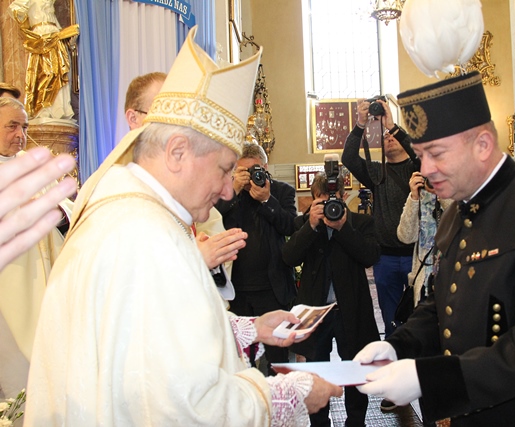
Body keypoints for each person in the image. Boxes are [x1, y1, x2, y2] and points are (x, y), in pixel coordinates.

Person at [25, 27, 342, 426]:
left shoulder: (133, 212)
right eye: (224, 169)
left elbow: (149, 337)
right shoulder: (147, 236)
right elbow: (187, 405)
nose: (228, 190)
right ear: (177, 152)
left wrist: (247, 328)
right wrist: (286, 393)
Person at [354, 71, 515, 426]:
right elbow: (441, 302)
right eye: (421, 156)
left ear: (483, 145)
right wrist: (398, 345)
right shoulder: (458, 211)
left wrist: (432, 379)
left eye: (436, 154)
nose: (426, 168)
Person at [124, 72, 242, 300]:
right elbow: (131, 298)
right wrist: (195, 259)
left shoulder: (175, 186)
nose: (228, 191)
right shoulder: (123, 196)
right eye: (163, 116)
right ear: (133, 118)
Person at [282, 171, 380, 427]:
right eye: (322, 201)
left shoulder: (361, 223)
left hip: (351, 308)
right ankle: (319, 422)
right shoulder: (305, 224)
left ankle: (356, 422)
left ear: (344, 197)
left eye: (333, 200)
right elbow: (289, 257)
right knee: (317, 371)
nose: (329, 207)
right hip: (316, 312)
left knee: (354, 368)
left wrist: (342, 228)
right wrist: (311, 227)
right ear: (313, 200)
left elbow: (370, 256)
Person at [0, 97, 75, 400]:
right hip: (9, 289)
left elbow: (69, 211)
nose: (20, 135)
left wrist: (56, 211)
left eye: (24, 127)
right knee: (15, 380)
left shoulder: (34, 168)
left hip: (44, 286)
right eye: (12, 126)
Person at [216, 142, 297, 373]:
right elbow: (213, 219)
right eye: (244, 171)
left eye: (255, 170)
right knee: (241, 358)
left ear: (265, 167)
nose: (251, 176)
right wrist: (233, 191)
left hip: (273, 288)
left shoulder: (282, 191)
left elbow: (290, 226)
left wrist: (266, 200)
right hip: (237, 289)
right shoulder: (229, 193)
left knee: (277, 357)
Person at [341, 99, 416, 341]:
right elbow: (349, 158)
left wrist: (392, 125)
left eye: (393, 135)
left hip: (416, 255)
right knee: (390, 317)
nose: (389, 137)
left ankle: (417, 355)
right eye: (385, 136)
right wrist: (360, 123)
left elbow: (422, 154)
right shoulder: (376, 171)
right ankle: (393, 351)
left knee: (420, 313)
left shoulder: (418, 167)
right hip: (385, 257)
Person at [9, 0, 79, 121]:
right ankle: (44, 109)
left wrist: (66, 35)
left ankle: (59, 109)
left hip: (55, 36)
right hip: (41, 36)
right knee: (45, 73)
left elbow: (55, 22)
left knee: (59, 72)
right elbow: (15, 10)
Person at [397, 173, 448, 307]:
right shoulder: (420, 196)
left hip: (451, 281)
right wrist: (414, 198)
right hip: (423, 282)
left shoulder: (459, 192)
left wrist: (441, 193)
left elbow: (459, 221)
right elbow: (405, 237)